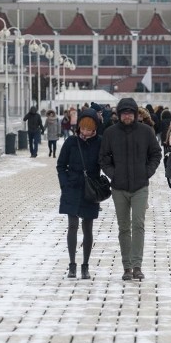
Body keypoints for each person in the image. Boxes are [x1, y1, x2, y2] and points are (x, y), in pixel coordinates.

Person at [99, 97, 162, 281]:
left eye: (130, 113)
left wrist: (146, 172)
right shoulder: (111, 133)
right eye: (124, 113)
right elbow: (103, 158)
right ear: (119, 115)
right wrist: (114, 174)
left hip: (140, 186)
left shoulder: (146, 131)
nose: (127, 116)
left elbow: (155, 154)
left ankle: (137, 265)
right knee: (124, 227)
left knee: (138, 225)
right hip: (119, 187)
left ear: (135, 114)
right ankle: (126, 266)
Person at [56, 108, 104, 280]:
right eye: (83, 128)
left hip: (90, 189)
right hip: (72, 187)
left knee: (88, 228)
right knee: (73, 225)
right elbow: (61, 165)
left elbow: (106, 162)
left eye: (89, 129)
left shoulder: (100, 142)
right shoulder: (71, 142)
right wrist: (64, 184)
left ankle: (85, 265)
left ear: (95, 128)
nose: (85, 132)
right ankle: (72, 264)